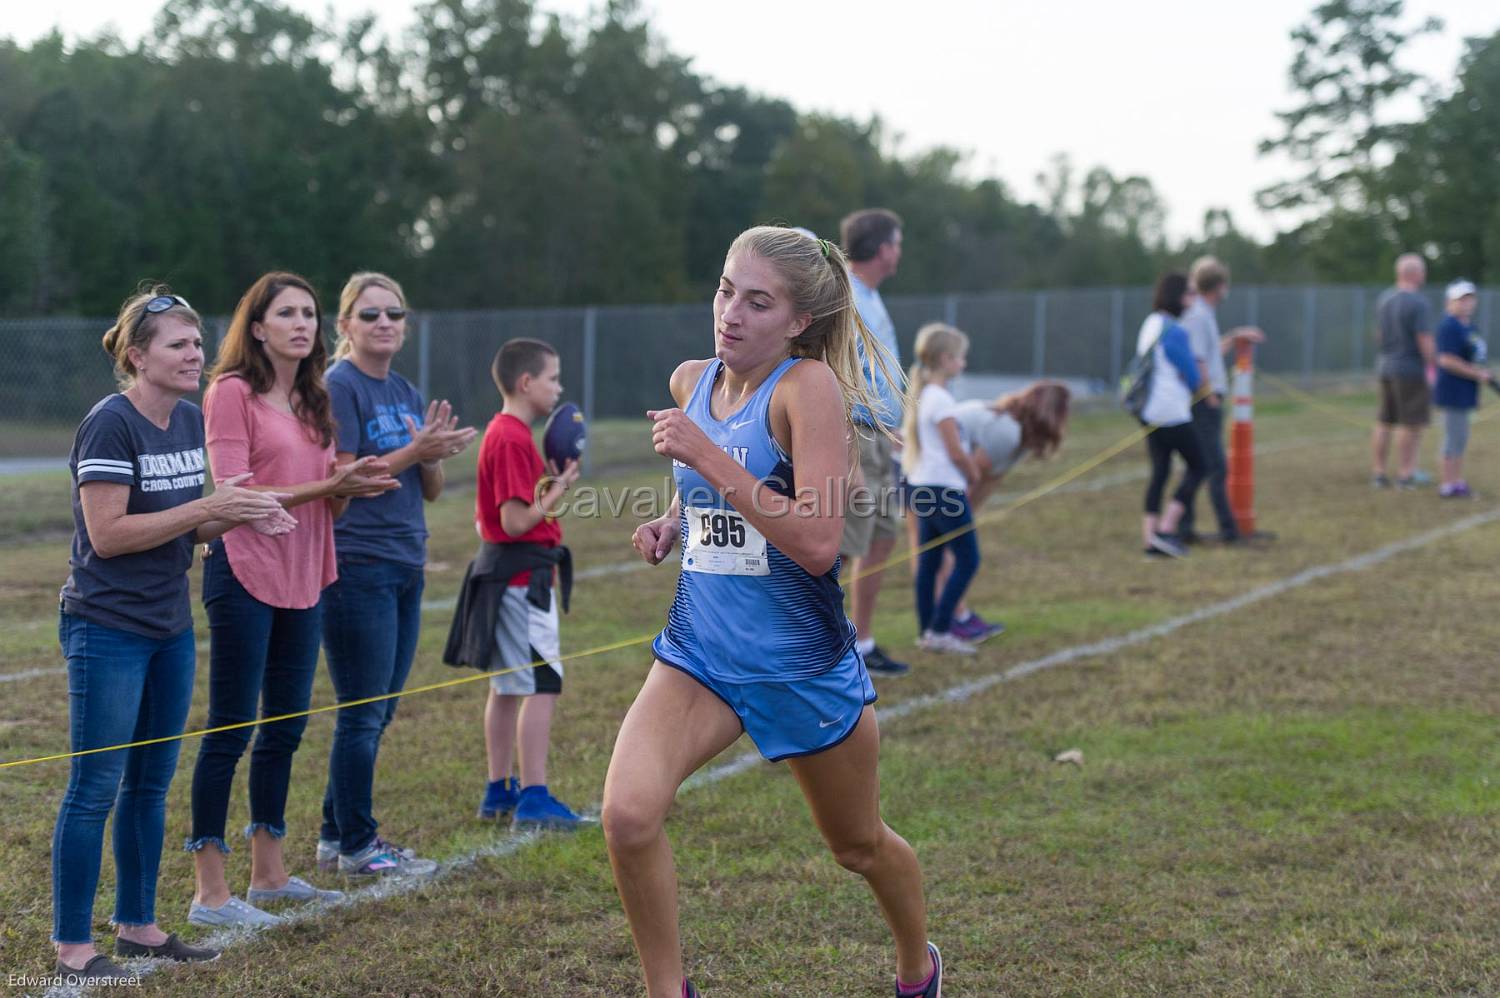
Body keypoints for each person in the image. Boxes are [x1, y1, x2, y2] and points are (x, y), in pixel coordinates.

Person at [606, 227, 941, 998]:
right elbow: (712, 500)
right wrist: (674, 522)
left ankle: (917, 970)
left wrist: (704, 459)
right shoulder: (692, 378)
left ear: (796, 322)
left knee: (858, 846)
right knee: (627, 816)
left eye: (758, 302)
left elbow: (819, 542)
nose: (730, 313)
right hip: (701, 652)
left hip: (799, 662)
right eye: (726, 290)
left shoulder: (806, 389)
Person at [53, 286, 294, 983]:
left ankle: (139, 926)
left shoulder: (188, 420)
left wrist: (241, 513)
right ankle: (72, 945)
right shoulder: (110, 423)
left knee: (151, 784)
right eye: (179, 345)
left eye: (197, 343)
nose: (196, 355)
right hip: (107, 627)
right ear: (137, 356)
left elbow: (194, 521)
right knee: (93, 786)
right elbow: (108, 535)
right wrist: (211, 505)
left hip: (169, 625)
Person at [187, 272, 396, 926]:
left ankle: (270, 876)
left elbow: (329, 500)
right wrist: (327, 485)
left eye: (309, 313)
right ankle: (210, 893)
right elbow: (235, 495)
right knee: (231, 728)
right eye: (287, 314)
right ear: (257, 327)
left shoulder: (314, 397)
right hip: (243, 570)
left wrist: (348, 486)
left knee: (285, 728)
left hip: (306, 572)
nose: (303, 324)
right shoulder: (229, 393)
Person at [314, 273, 477, 879]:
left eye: (395, 314)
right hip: (358, 563)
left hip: (406, 558)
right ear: (346, 325)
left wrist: (430, 456)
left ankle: (335, 836)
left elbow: (427, 490)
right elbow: (348, 478)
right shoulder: (340, 385)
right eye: (371, 314)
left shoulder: (405, 389)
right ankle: (359, 845)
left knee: (378, 710)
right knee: (362, 709)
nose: (385, 323)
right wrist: (416, 450)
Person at [444, 337, 583, 831]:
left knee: (506, 686)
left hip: (511, 575)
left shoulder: (510, 434)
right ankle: (534, 795)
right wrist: (560, 489)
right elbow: (517, 521)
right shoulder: (511, 437)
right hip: (522, 578)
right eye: (552, 378)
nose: (558, 387)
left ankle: (498, 789)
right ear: (526, 383)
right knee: (541, 683)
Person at [838, 207, 911, 676]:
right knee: (838, 548)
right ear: (884, 249)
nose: (899, 252)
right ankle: (810, 644)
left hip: (880, 437)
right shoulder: (847, 296)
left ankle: (861, 643)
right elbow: (837, 374)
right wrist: (850, 448)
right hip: (856, 438)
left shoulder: (871, 294)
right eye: (897, 243)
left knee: (882, 538)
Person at [943, 380, 1072, 641]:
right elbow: (971, 476)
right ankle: (948, 618)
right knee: (950, 550)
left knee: (958, 549)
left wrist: (967, 521)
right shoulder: (1007, 432)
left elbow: (990, 480)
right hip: (930, 478)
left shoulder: (1020, 438)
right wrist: (957, 523)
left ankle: (956, 614)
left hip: (945, 484)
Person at [902, 323, 982, 655]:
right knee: (968, 559)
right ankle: (940, 628)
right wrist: (973, 471)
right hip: (944, 490)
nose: (963, 364)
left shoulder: (924, 395)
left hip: (923, 486)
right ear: (946, 358)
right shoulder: (940, 399)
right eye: (961, 358)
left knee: (930, 560)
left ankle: (927, 632)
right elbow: (954, 450)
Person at [1178, 257, 1264, 543]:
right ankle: (1227, 531)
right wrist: (1208, 395)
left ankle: (1185, 525)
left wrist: (1236, 336)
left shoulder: (1202, 314)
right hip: (1203, 402)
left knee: (1201, 465)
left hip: (1205, 399)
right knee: (1215, 467)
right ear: (1220, 286)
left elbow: (1211, 352)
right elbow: (1198, 359)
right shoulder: (1199, 316)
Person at [1136, 273, 1205, 558]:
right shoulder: (1175, 331)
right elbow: (1193, 377)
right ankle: (1165, 530)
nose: (1192, 299)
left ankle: (1149, 540)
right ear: (1177, 296)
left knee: (1160, 471)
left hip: (1148, 410)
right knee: (1200, 465)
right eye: (1189, 293)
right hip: (1171, 411)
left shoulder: (1150, 323)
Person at [1371, 253, 1437, 489]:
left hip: (1385, 366)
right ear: (1414, 273)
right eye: (1422, 270)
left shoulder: (1384, 299)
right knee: (1410, 424)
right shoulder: (1418, 302)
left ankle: (1379, 473)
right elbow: (1424, 339)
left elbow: (1378, 335)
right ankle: (1406, 473)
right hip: (1409, 369)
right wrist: (1433, 364)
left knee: (1384, 421)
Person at [1432, 279, 1490, 498]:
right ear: (1450, 302)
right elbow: (1446, 360)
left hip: (1467, 390)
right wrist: (1476, 374)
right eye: (1461, 299)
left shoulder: (1470, 328)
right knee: (1452, 437)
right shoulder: (1449, 326)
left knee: (1461, 438)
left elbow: (1475, 358)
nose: (1466, 303)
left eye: (1469, 298)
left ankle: (1457, 480)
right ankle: (1448, 484)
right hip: (1452, 391)